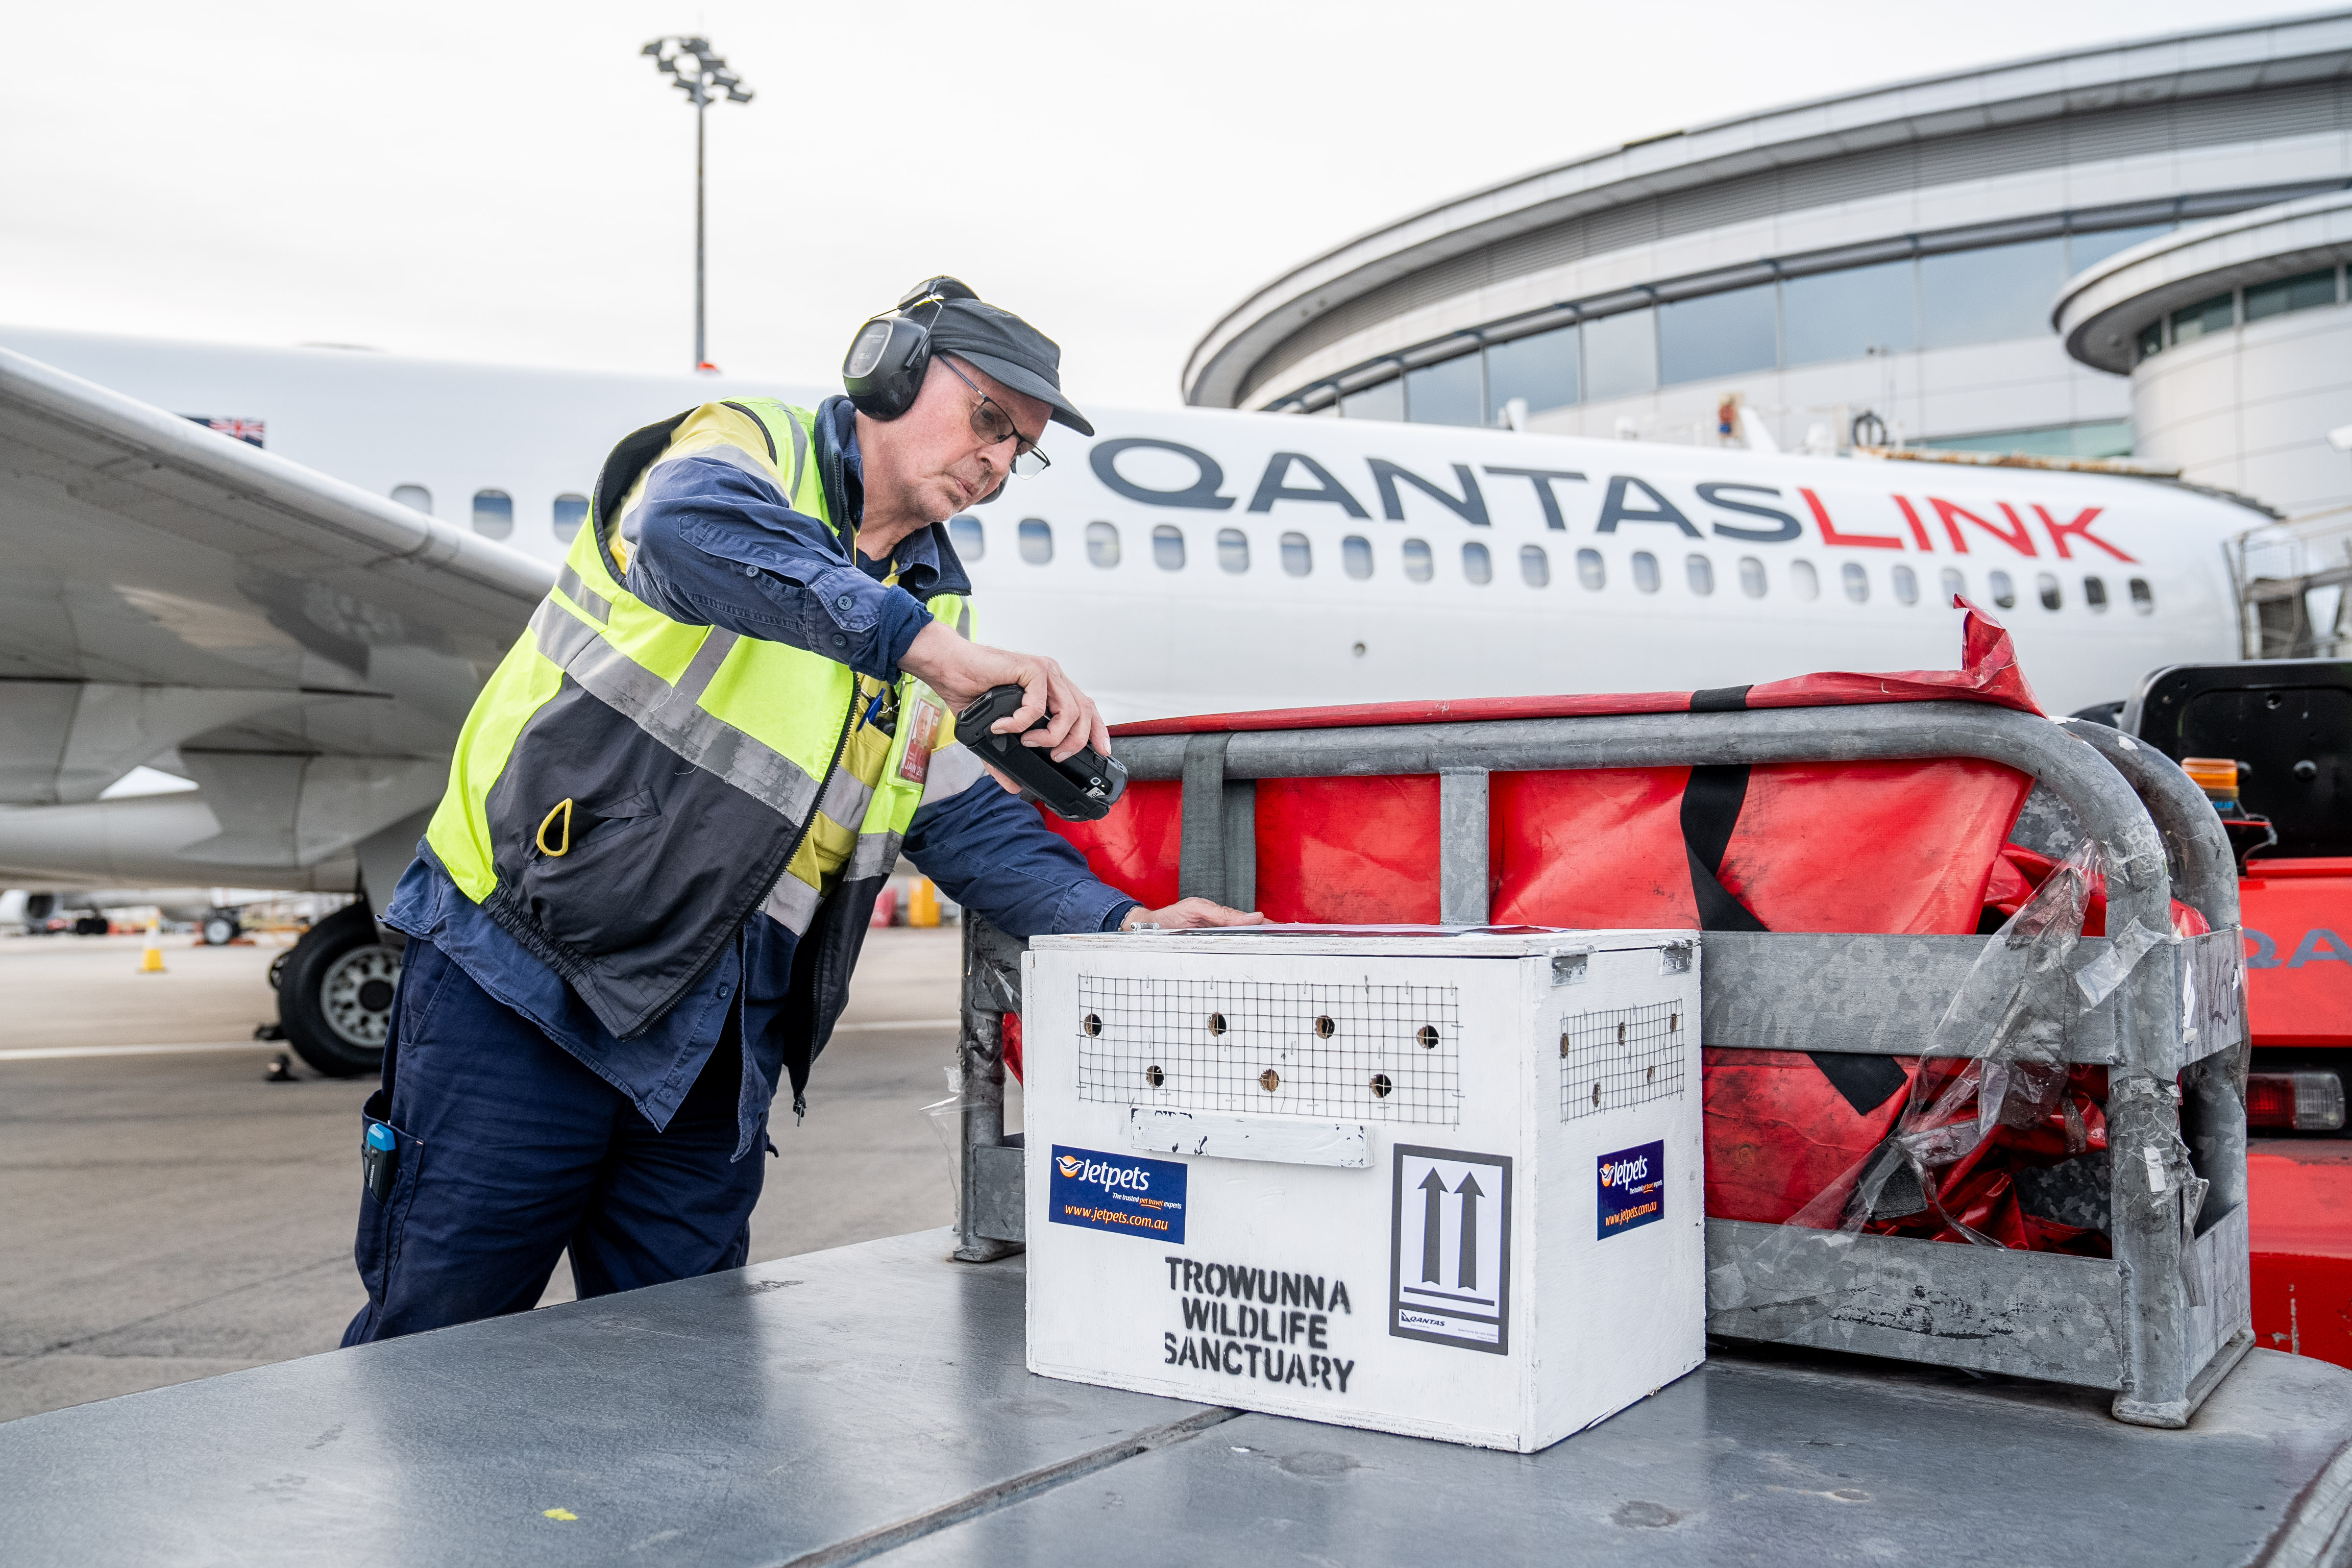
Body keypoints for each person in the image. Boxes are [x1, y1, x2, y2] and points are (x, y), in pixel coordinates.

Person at [344, 278, 1259, 1343]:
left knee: (679, 1371)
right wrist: (932, 651)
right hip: (527, 976)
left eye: (1023, 451)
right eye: (992, 421)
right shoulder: (746, 452)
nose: (1000, 463)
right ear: (893, 373)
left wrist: (1119, 926)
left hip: (715, 1040)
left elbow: (957, 819)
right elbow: (690, 535)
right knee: (438, 1337)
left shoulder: (933, 602)